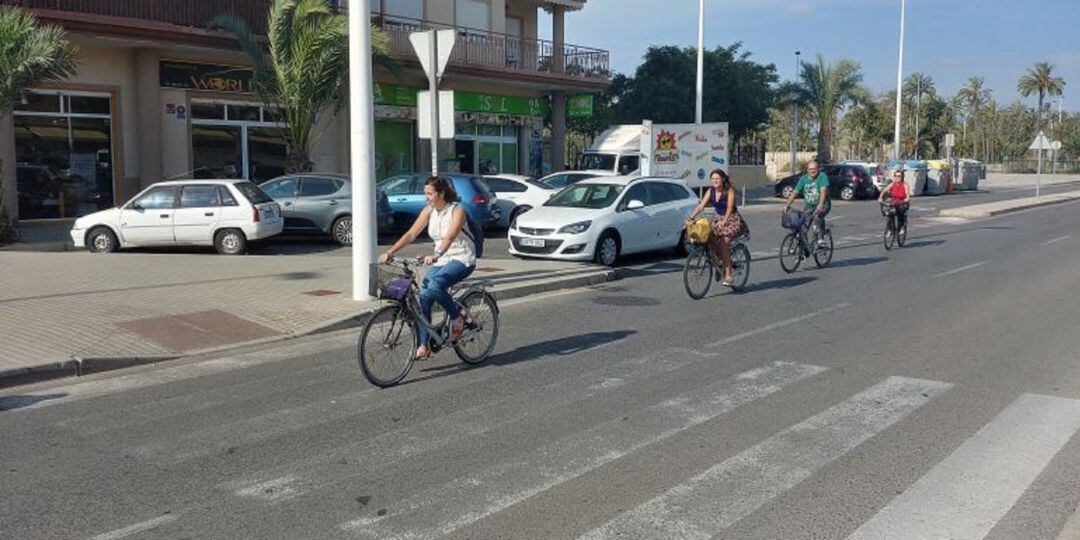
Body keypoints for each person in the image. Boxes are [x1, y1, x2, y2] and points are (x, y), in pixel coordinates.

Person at [380, 176, 476, 360]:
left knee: (435, 286)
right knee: (423, 296)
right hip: (440, 259)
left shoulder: (457, 210)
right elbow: (411, 234)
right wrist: (390, 252)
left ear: (441, 194)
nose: (426, 197)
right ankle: (424, 345)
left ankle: (458, 319)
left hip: (462, 258)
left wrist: (436, 255)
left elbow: (450, 237)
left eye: (430, 194)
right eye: (425, 193)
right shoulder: (429, 211)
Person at [686, 169, 749, 286]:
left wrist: (724, 221)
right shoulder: (711, 191)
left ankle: (729, 274)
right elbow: (701, 206)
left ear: (723, 179)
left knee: (724, 242)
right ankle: (721, 261)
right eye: (713, 179)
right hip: (717, 218)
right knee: (708, 236)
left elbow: (730, 208)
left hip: (732, 219)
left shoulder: (728, 190)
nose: (715, 181)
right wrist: (691, 218)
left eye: (717, 179)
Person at [783, 159, 830, 243]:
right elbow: (795, 192)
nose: (812, 171)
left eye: (814, 169)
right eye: (810, 169)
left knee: (817, 216)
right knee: (802, 227)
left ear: (818, 169)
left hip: (823, 203)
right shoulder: (803, 178)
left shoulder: (822, 176)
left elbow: (823, 191)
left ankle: (821, 237)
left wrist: (820, 205)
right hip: (809, 206)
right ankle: (805, 249)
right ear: (807, 170)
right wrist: (787, 205)